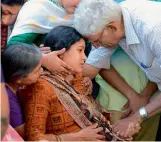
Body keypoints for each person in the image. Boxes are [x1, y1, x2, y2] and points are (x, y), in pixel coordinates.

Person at [20, 26, 132, 141]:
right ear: (61, 52)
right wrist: (75, 137)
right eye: (80, 50)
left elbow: (94, 120)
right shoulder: (42, 87)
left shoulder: (78, 79)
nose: (85, 57)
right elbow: (33, 137)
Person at [73, 0, 161, 138]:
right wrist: (45, 61)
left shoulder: (153, 29)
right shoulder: (113, 21)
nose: (95, 46)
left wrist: (137, 116)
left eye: (97, 41)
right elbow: (90, 69)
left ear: (112, 28)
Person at [1, 43, 43, 138]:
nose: (42, 71)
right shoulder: (8, 100)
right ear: (18, 78)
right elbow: (24, 133)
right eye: (37, 70)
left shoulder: (15, 84)